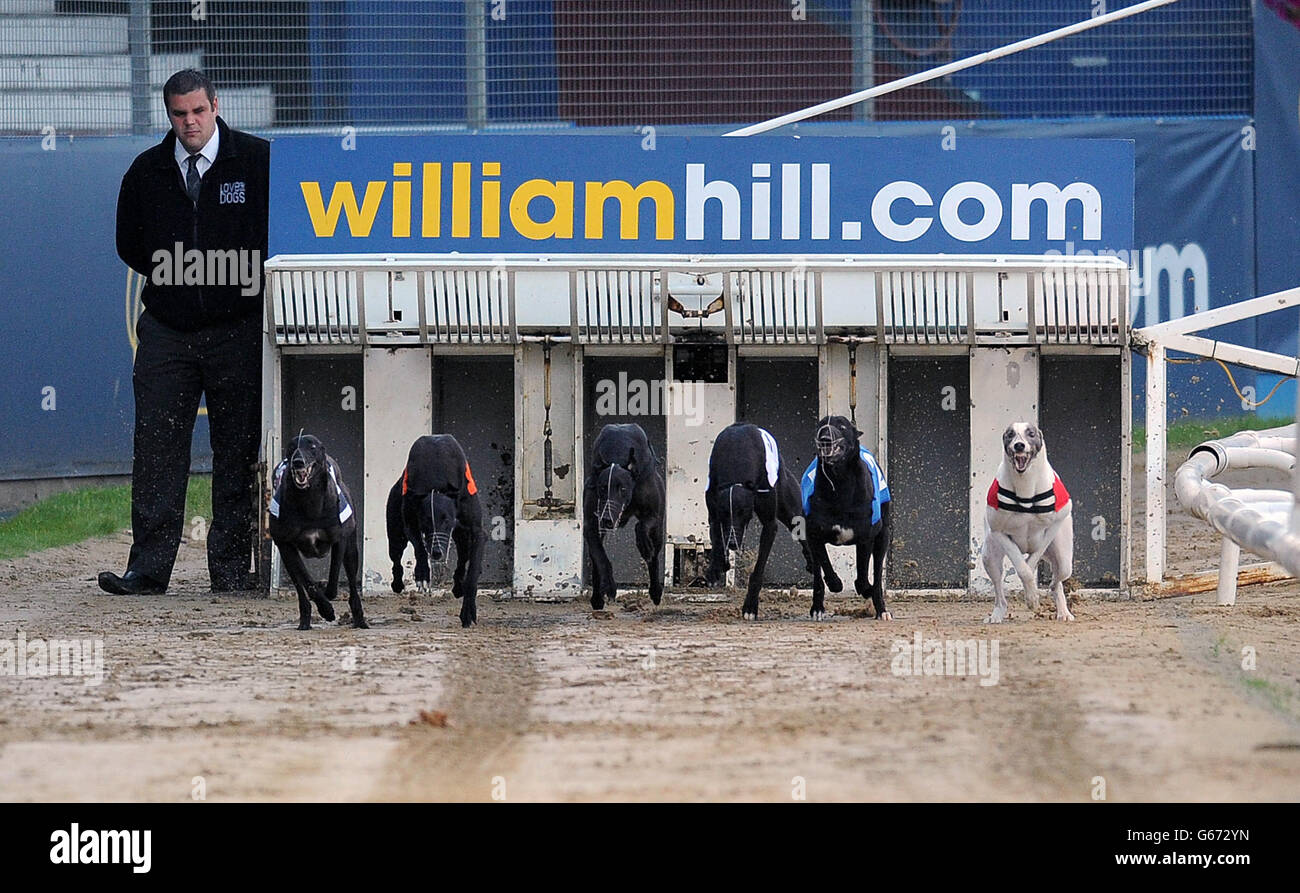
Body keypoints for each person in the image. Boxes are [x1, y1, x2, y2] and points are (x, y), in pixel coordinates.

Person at [99, 69, 269, 595]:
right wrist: (177, 276)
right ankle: (148, 570)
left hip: (238, 328)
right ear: (167, 115)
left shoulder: (258, 161)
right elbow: (130, 244)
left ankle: (232, 571)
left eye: (198, 111)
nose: (189, 122)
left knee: (237, 452)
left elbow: (274, 236)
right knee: (156, 447)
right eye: (179, 114)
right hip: (167, 332)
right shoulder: (146, 171)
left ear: (215, 105)